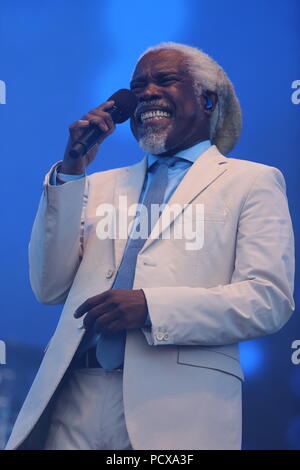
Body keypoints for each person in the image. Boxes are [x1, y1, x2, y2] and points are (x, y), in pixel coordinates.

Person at [6, 42, 295, 450]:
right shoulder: (97, 184)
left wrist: (150, 307)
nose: (145, 93)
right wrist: (71, 171)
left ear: (208, 99)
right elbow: (49, 288)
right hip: (76, 394)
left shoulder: (252, 182)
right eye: (137, 85)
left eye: (165, 80)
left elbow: (267, 300)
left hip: (177, 405)